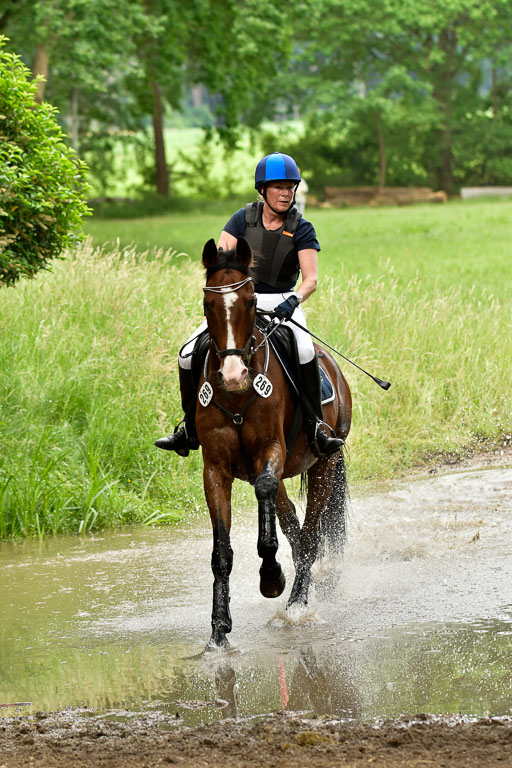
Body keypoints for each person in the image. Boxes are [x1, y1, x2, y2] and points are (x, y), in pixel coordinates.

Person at [155, 151, 343, 458]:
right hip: (240, 305)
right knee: (188, 352)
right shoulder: (241, 219)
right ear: (263, 190)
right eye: (279, 187)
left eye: (290, 187)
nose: (286, 193)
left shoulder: (301, 227)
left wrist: (293, 300)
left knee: (306, 350)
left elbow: (310, 280)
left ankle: (315, 426)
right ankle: (188, 428)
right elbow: (220, 262)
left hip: (283, 302)